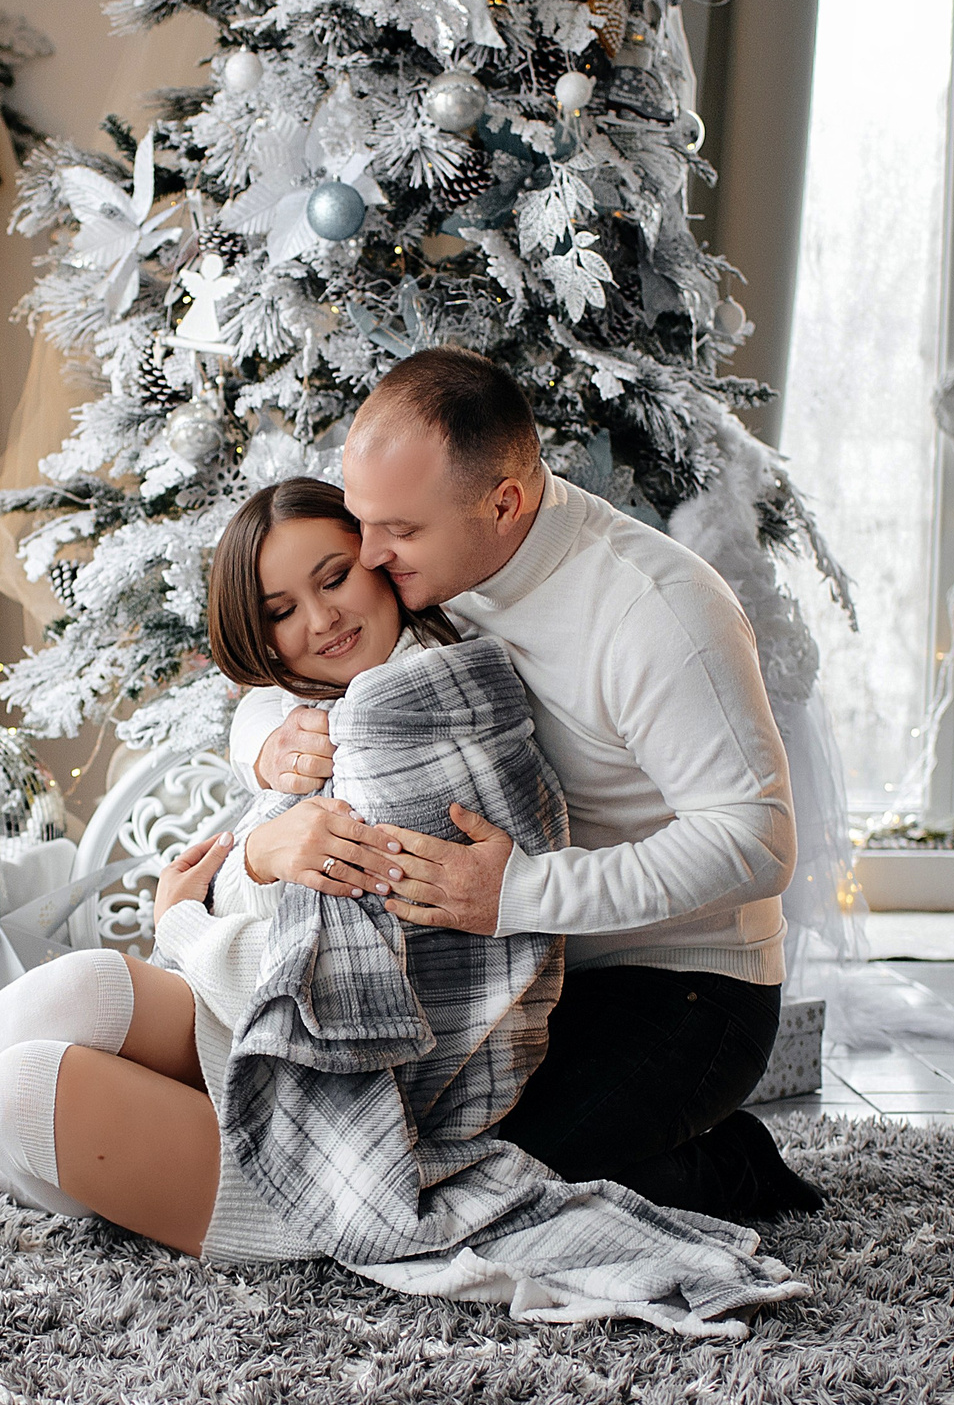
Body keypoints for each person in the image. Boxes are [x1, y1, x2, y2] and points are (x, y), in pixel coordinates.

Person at [0, 480, 804, 1334]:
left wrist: (189, 919)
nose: (320, 621)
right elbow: (279, 861)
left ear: (384, 563)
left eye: (337, 577)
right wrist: (262, 836)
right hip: (313, 1056)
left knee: (21, 1091)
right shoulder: (361, 700)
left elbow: (337, 997)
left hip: (362, 1118)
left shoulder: (407, 721)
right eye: (281, 609)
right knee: (83, 988)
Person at [231, 346, 822, 1218]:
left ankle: (727, 1164)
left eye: (397, 529)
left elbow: (756, 839)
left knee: (491, 1187)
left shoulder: (654, 611)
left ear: (504, 501)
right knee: (398, 1157)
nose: (366, 553)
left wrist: (519, 891)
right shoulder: (427, 567)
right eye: (361, 520)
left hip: (686, 985)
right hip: (519, 969)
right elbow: (279, 675)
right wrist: (264, 745)